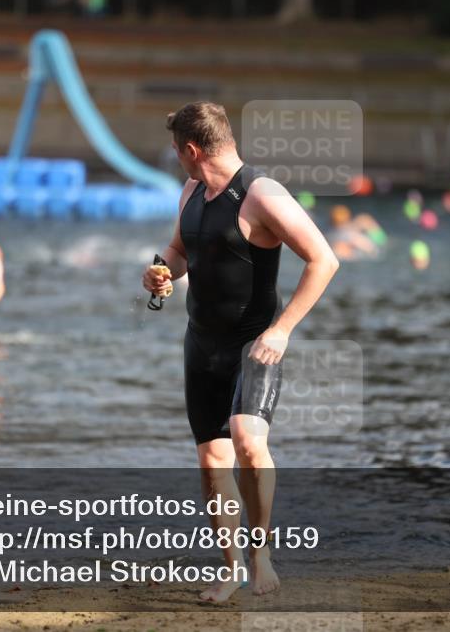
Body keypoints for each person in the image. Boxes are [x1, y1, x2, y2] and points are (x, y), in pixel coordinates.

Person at [142, 102, 339, 602]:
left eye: (176, 151)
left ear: (191, 149)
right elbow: (180, 250)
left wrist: (283, 329)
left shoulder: (262, 194)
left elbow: (324, 259)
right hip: (200, 341)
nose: (176, 159)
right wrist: (160, 269)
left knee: (249, 442)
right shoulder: (190, 192)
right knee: (212, 461)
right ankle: (230, 568)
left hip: (254, 343)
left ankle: (261, 552)